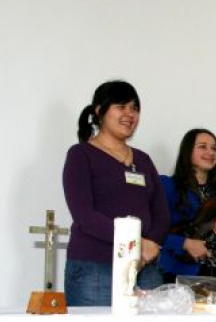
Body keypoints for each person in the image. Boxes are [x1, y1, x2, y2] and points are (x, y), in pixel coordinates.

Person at [63, 80, 170, 306]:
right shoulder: (81, 155)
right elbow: (84, 215)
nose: (130, 114)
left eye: (134, 108)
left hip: (145, 268)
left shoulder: (143, 160)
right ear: (99, 111)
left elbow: (161, 214)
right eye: (121, 107)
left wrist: (150, 245)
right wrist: (136, 244)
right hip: (96, 268)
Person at [159, 128, 216, 285]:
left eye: (214, 148)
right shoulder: (168, 186)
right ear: (187, 152)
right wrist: (185, 243)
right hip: (180, 274)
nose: (211, 152)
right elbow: (154, 233)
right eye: (202, 146)